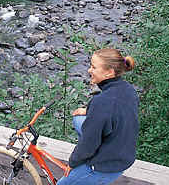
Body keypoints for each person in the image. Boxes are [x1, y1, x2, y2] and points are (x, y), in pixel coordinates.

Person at [58, 48, 139, 185]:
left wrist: (72, 163)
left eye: (94, 67)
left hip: (107, 165)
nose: (89, 70)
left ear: (109, 72)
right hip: (124, 152)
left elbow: (89, 143)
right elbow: (112, 110)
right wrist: (88, 110)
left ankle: (91, 168)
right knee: (79, 119)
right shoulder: (128, 89)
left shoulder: (102, 102)